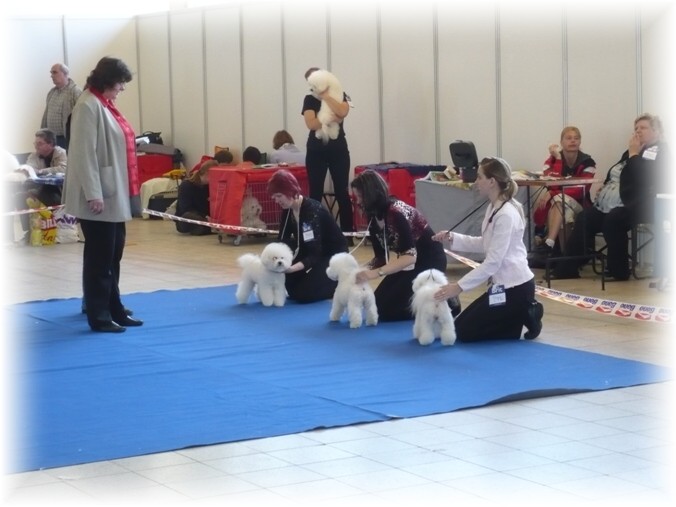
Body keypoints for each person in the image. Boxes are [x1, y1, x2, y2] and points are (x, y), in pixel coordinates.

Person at [62, 57, 142, 333]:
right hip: (99, 196)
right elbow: (83, 154)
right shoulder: (87, 105)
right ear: (108, 81)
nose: (122, 88)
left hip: (113, 192)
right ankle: (99, 315)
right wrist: (93, 193)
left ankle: (114, 307)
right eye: (120, 83)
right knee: (100, 258)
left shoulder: (103, 104)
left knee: (113, 254)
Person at [431, 158, 543, 342]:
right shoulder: (494, 207)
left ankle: (527, 312)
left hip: (516, 288)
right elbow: (486, 243)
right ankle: (518, 316)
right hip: (501, 287)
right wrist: (453, 238)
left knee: (464, 333)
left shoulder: (506, 214)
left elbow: (492, 263)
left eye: (479, 177)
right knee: (460, 328)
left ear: (492, 182)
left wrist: (457, 287)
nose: (476, 182)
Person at [554, 113, 668, 281]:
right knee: (586, 217)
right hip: (616, 202)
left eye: (643, 128)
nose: (638, 131)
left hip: (642, 204)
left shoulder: (660, 152)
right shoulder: (630, 152)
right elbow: (617, 173)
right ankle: (567, 268)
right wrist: (606, 187)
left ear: (656, 131)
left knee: (614, 220)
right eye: (636, 128)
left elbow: (643, 177)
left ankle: (619, 271)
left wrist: (634, 154)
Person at [352, 169, 457, 322]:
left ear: (371, 194)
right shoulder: (373, 216)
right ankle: (428, 302)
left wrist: (375, 273)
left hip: (429, 262)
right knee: (379, 306)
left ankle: (446, 303)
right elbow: (380, 258)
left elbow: (410, 257)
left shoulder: (396, 213)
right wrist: (358, 272)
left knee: (388, 311)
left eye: (361, 196)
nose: (358, 202)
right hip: (408, 264)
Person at [267, 169, 348, 303]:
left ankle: (339, 283)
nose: (276, 200)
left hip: (332, 255)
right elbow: (282, 241)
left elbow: (315, 254)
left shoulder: (311, 211)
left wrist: (291, 268)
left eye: (279, 196)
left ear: (290, 191)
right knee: (291, 288)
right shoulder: (288, 210)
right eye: (274, 197)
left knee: (303, 295)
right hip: (311, 250)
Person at [527, 126, 596, 268]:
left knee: (558, 200)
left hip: (580, 204)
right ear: (561, 142)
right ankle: (565, 259)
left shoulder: (588, 162)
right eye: (569, 138)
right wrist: (558, 159)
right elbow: (551, 181)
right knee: (563, 211)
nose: (573, 141)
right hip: (560, 205)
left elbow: (580, 190)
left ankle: (549, 244)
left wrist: (554, 193)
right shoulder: (552, 160)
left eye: (576, 138)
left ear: (580, 141)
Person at [302, 67, 354, 236]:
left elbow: (342, 111)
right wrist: (329, 118)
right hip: (316, 151)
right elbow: (311, 124)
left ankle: (347, 233)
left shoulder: (341, 94)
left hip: (338, 150)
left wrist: (326, 97)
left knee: (342, 192)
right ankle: (315, 233)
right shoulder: (309, 99)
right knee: (315, 193)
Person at [41, 63, 82, 150]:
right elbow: (46, 114)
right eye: (51, 73)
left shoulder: (75, 92)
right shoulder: (52, 92)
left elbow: (81, 116)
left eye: (54, 72)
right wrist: (42, 134)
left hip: (66, 138)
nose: (51, 76)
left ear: (65, 74)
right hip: (52, 139)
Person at [175, 159, 216, 236]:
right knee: (188, 215)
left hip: (205, 217)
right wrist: (205, 217)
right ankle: (208, 226)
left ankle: (207, 227)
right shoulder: (186, 185)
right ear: (207, 173)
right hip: (188, 217)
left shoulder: (210, 187)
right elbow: (185, 209)